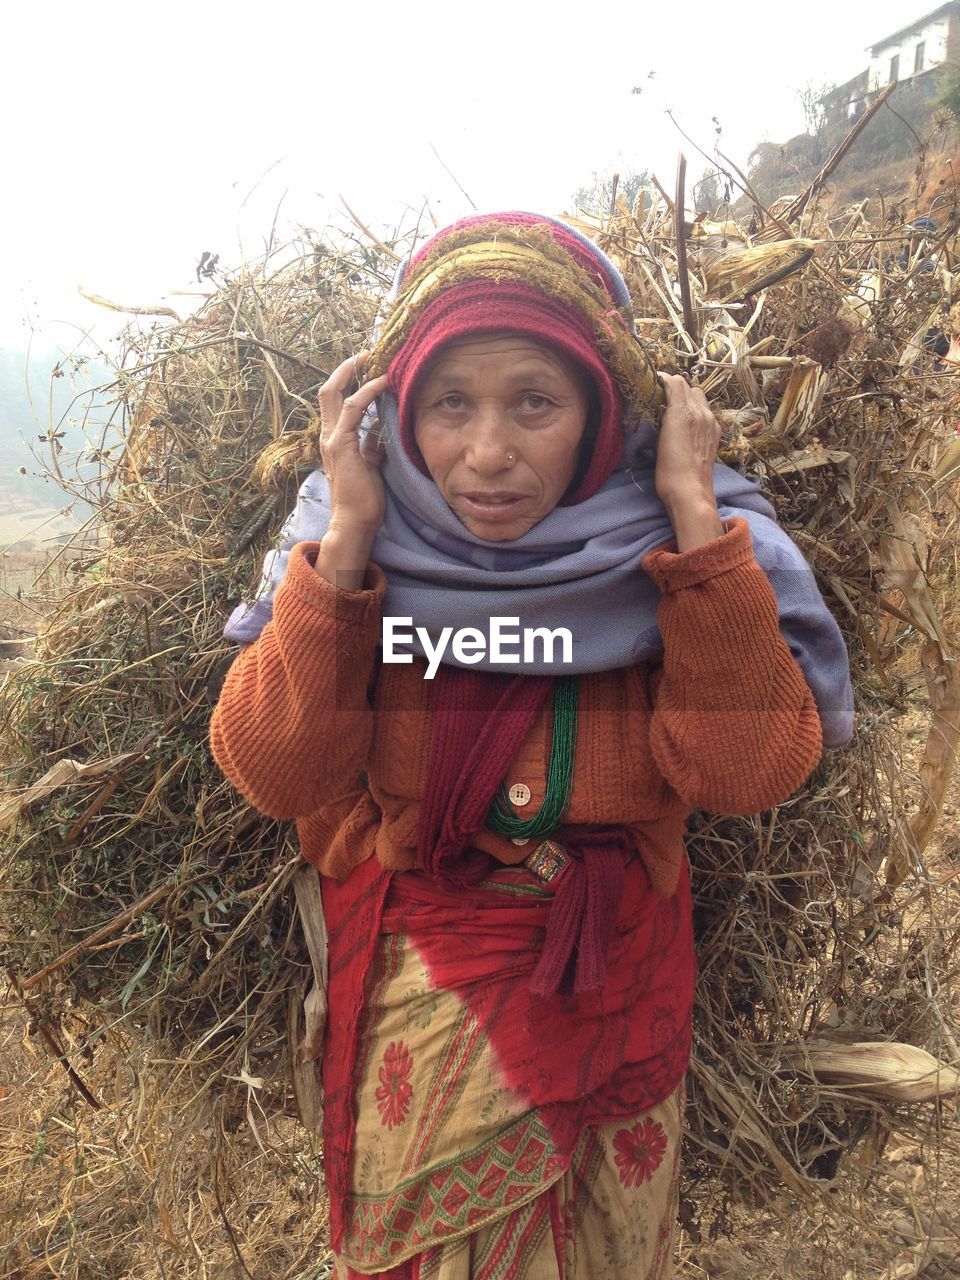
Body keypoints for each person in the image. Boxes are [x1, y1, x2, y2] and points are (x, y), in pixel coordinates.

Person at [210, 211, 852, 1279]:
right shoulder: (348, 545)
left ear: (603, 413)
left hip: (622, 967)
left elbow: (746, 774)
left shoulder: (673, 545)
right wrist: (352, 544)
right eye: (451, 404)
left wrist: (693, 523)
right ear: (398, 415)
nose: (489, 452)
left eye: (535, 403)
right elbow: (279, 770)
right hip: (435, 979)